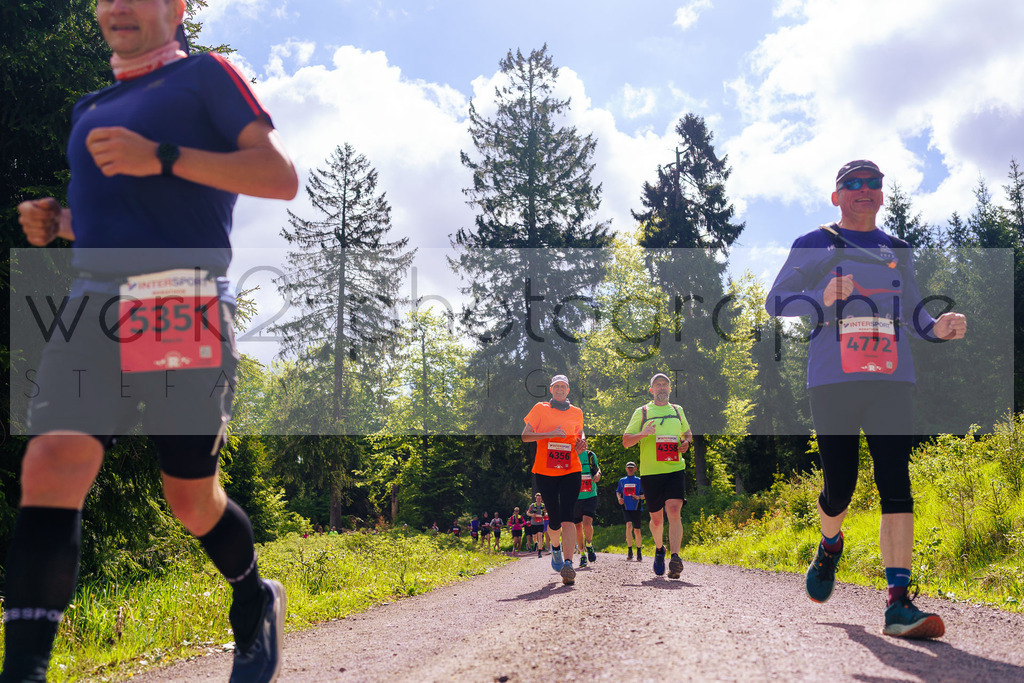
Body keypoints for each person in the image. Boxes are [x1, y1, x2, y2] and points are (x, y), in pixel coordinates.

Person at [4, 2, 299, 681]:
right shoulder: (91, 105)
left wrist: (160, 156)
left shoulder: (205, 78)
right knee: (52, 460)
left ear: (177, 7)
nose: (117, 6)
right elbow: (122, 216)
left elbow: (277, 177)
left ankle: (254, 599)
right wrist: (62, 221)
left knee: (189, 496)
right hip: (93, 301)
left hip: (181, 299)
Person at [766, 160, 967, 639]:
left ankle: (898, 602)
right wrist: (821, 293)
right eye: (852, 184)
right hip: (833, 379)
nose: (864, 190)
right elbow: (777, 302)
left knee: (895, 478)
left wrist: (936, 328)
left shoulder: (897, 249)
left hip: (892, 378)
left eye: (873, 184)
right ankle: (829, 544)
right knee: (842, 485)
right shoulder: (813, 243)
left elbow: (914, 308)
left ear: (882, 194)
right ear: (836, 196)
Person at [623, 374, 692, 579]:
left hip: (674, 469)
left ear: (670, 389)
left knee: (673, 510)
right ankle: (660, 548)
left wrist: (686, 443)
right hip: (651, 473)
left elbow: (687, 433)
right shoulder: (642, 412)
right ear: (651, 390)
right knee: (656, 519)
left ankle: (676, 557)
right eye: (657, 385)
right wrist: (643, 433)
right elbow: (626, 441)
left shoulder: (678, 411)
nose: (662, 387)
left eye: (665, 384)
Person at [522, 374, 586, 585]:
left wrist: (582, 441)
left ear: (568, 390)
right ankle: (556, 549)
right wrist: (550, 433)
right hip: (546, 470)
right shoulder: (540, 408)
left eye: (563, 387)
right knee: (555, 519)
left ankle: (568, 563)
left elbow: (580, 433)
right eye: (556, 386)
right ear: (551, 389)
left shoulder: (577, 412)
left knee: (568, 514)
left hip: (571, 469)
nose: (560, 389)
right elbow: (526, 436)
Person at [572, 448, 601, 568]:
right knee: (578, 527)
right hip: (574, 497)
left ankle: (589, 545)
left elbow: (597, 469)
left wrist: (598, 474)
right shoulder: (570, 453)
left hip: (590, 495)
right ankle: (582, 554)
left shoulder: (590, 455)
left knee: (587, 524)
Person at [616, 462, 645, 561]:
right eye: (629, 468)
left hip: (636, 507)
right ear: (626, 469)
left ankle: (639, 551)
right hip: (626, 507)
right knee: (628, 525)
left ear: (636, 469)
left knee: (637, 531)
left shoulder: (639, 480)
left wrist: (639, 497)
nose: (630, 469)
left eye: (632, 468)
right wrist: (619, 498)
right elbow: (618, 491)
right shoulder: (622, 481)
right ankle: (629, 551)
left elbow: (646, 494)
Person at [526, 493, 547, 557]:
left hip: (541, 523)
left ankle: (539, 552)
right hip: (534, 523)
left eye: (540, 498)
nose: (538, 499)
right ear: (536, 498)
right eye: (537, 498)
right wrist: (532, 515)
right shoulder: (533, 505)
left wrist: (545, 514)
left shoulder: (543, 505)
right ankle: (535, 543)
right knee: (534, 537)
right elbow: (528, 513)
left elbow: (545, 512)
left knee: (540, 536)